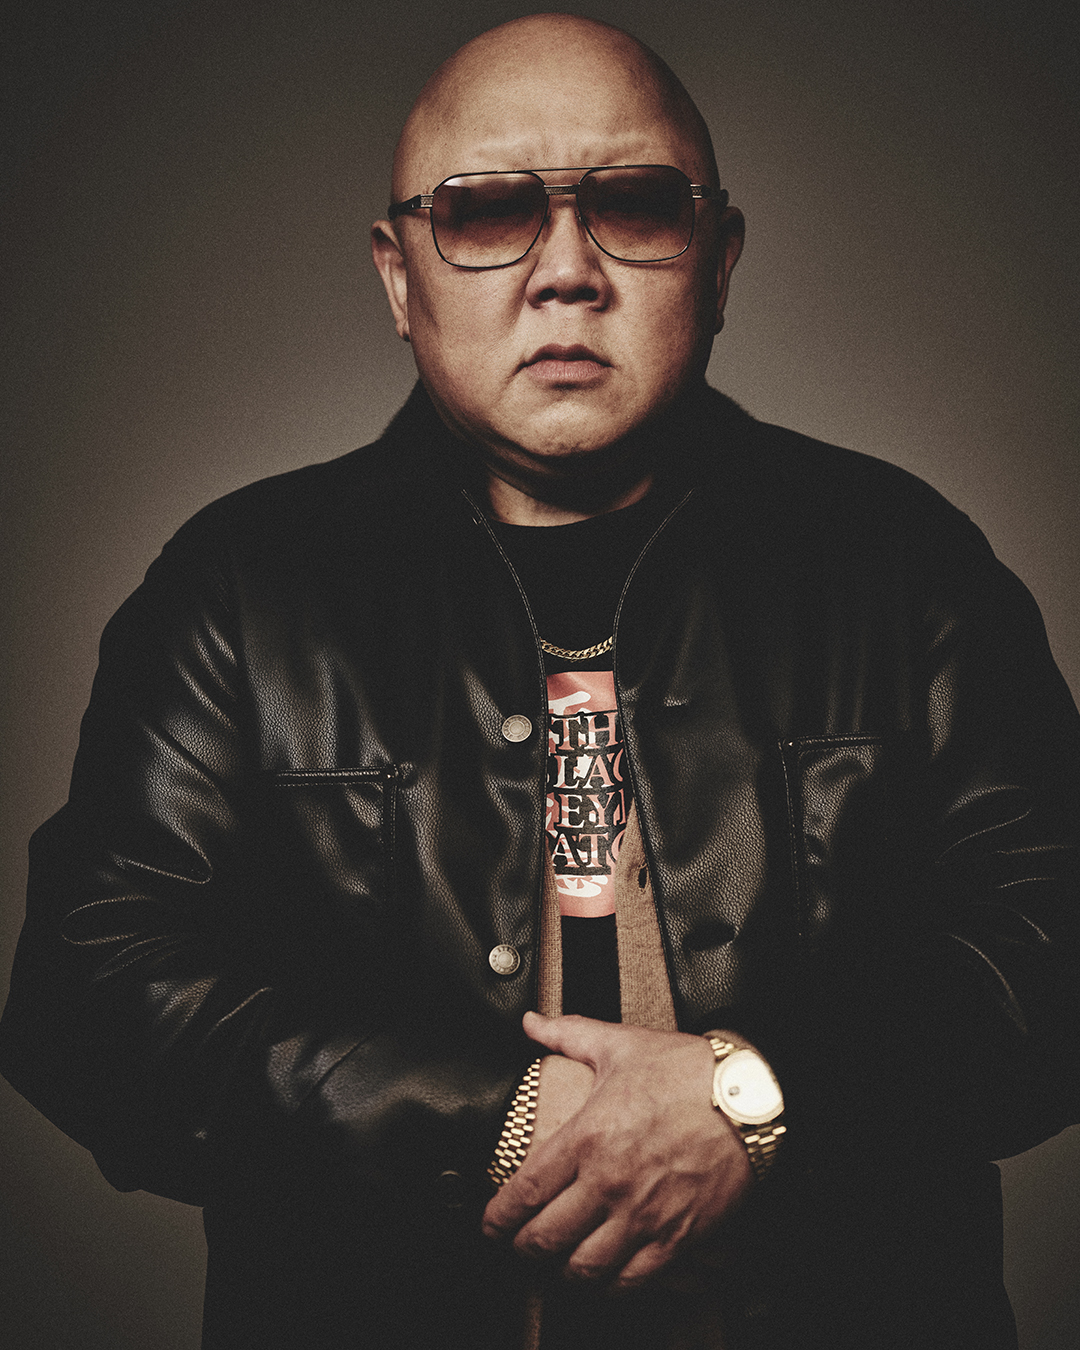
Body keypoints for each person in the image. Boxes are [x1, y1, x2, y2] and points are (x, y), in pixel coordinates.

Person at [1, 12, 1078, 1349]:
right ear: (399, 278)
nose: (567, 271)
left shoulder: (901, 563)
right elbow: (89, 997)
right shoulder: (240, 590)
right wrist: (498, 1116)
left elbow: (1054, 942)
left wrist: (756, 1098)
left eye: (636, 207)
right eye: (488, 212)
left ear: (720, 260)